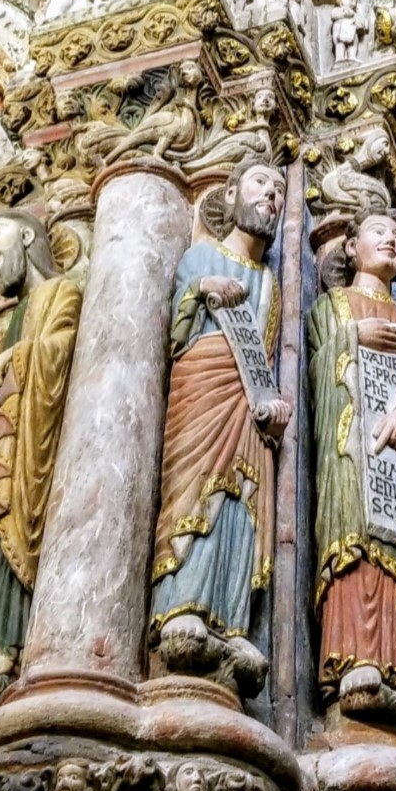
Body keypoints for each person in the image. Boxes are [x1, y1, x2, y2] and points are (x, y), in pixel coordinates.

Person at [148, 160, 290, 693]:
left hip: (247, 405)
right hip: (202, 392)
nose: (271, 195)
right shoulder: (201, 256)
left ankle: (228, 619)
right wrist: (202, 286)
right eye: (260, 183)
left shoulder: (270, 282)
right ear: (230, 195)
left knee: (241, 501)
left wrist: (274, 405)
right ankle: (181, 603)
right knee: (197, 487)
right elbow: (174, 335)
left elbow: (266, 354)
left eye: (279, 189)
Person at [308, 208, 396, 732]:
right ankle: (353, 660)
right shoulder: (333, 304)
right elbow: (318, 366)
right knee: (354, 538)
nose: (391, 242)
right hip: (349, 445)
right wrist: (353, 334)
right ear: (351, 246)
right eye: (379, 233)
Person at [0, 211, 82, 678]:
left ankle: (9, 643)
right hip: (0, 431)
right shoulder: (12, 316)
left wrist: (19, 354)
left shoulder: (61, 291)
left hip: (30, 434)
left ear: (27, 236)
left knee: (10, 517)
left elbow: (66, 346)